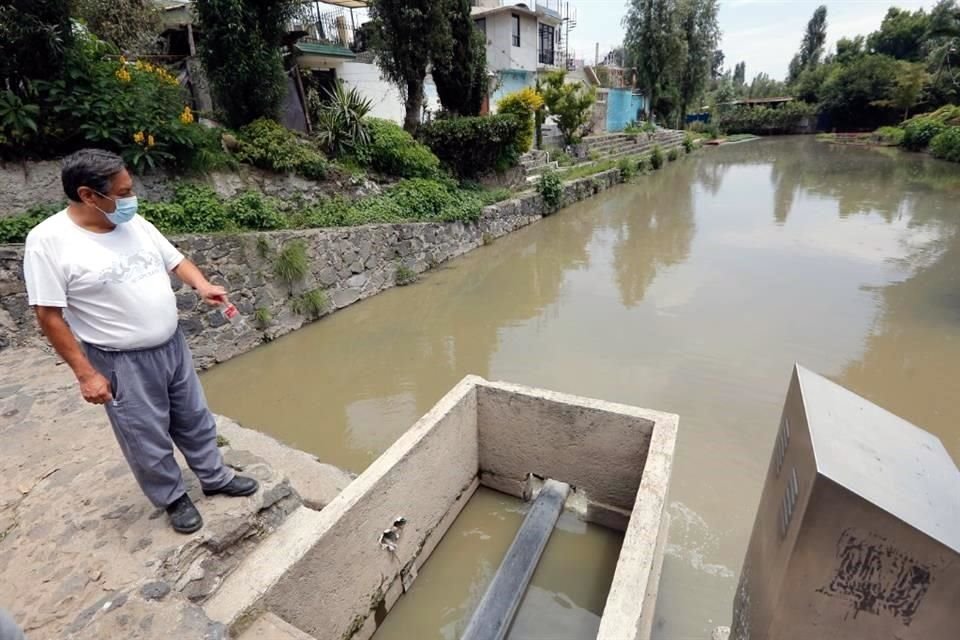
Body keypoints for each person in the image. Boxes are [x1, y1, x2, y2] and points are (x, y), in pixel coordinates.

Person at [22, 149, 258, 534]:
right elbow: (48, 316)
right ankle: (173, 497)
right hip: (120, 359)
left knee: (195, 418)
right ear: (88, 195)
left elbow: (175, 260)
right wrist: (86, 374)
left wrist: (201, 285)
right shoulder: (48, 241)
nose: (132, 199)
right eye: (123, 192)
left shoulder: (136, 224)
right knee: (144, 434)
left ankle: (214, 477)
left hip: (172, 345)